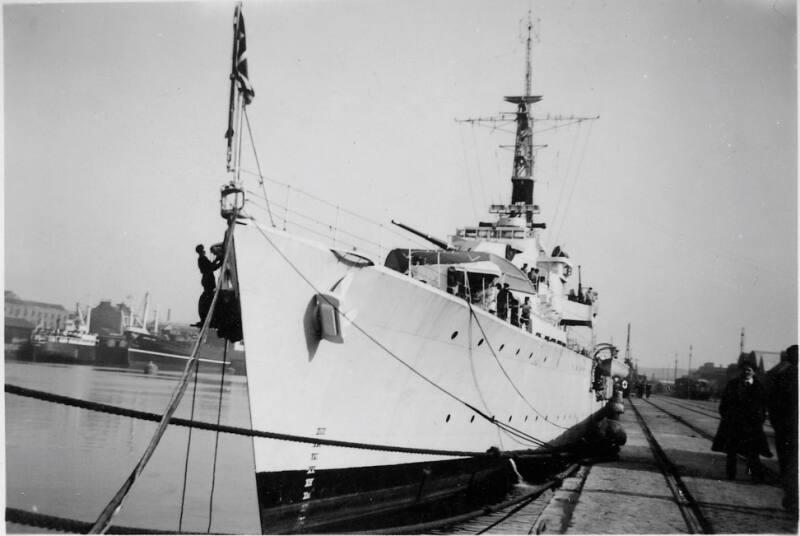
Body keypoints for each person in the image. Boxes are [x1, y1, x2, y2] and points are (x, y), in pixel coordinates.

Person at [711, 356, 772, 482]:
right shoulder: (733, 384)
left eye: (749, 370)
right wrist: (728, 417)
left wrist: (759, 420)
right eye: (744, 370)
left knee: (753, 453)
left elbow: (763, 406)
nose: (746, 372)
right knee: (731, 452)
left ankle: (754, 476)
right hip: (734, 425)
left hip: (752, 426)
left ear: (754, 372)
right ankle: (731, 475)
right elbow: (724, 404)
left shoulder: (759, 387)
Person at [766, 344, 798, 512]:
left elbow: (772, 403)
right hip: (787, 428)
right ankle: (792, 498)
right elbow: (773, 403)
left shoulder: (781, 375)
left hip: (786, 429)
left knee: (788, 464)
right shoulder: (783, 376)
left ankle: (791, 498)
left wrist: (777, 423)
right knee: (790, 464)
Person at [193, 244, 223, 327]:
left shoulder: (201, 259)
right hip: (208, 279)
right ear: (201, 251)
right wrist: (221, 261)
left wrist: (217, 260)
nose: (204, 251)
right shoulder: (202, 258)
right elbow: (212, 267)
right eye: (203, 250)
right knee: (209, 296)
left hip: (206, 279)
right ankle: (209, 316)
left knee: (209, 295)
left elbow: (211, 266)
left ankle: (207, 316)